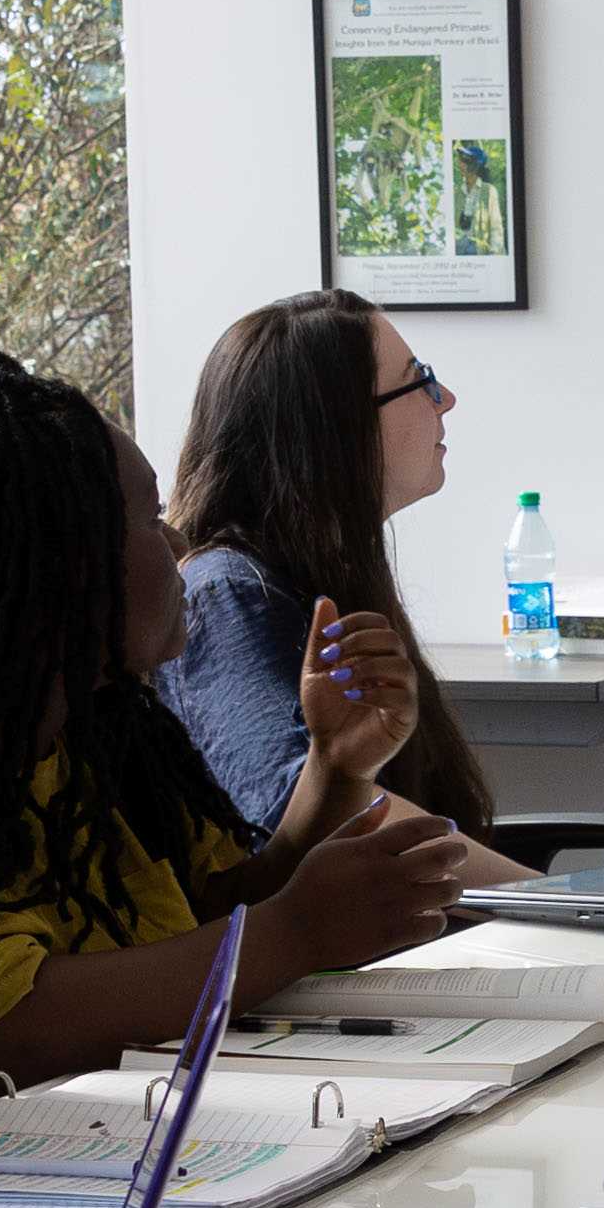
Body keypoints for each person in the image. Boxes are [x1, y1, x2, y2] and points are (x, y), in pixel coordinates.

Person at [0, 348, 466, 1088]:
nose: (178, 545)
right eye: (148, 517)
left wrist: (336, 769)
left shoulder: (105, 734)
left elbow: (210, 916)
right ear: (58, 562)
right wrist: (293, 934)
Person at [154, 290, 525, 879]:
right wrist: (554, 903)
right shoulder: (227, 592)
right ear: (336, 425)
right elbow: (302, 816)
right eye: (420, 380)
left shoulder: (313, 575)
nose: (446, 399)